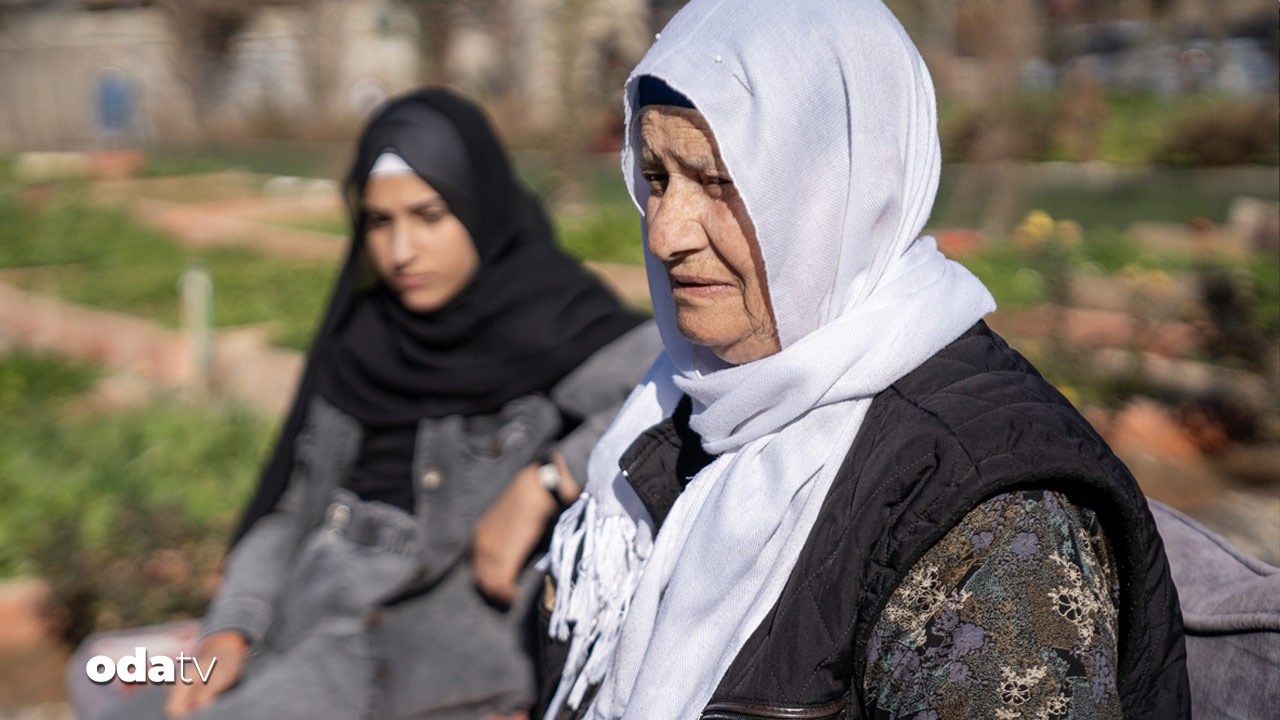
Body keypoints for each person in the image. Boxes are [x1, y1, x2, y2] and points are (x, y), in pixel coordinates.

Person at [536, 1, 1190, 718]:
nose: (664, 235)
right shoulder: (690, 399)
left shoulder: (991, 517)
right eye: (657, 178)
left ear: (848, 187)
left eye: (719, 181)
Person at [95, 89, 660, 720]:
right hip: (307, 610)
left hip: (404, 651)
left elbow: (668, 396)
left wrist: (546, 480)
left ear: (482, 207)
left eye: (429, 215)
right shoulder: (366, 332)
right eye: (379, 221)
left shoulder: (553, 319)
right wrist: (233, 626)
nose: (400, 253)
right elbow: (293, 505)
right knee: (98, 680)